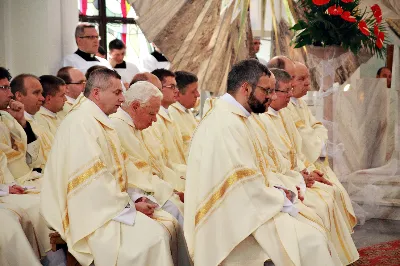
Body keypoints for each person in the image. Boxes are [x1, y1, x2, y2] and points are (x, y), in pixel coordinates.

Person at [185, 59, 341, 266]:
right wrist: (279, 196)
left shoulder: (239, 117)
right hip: (229, 221)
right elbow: (240, 186)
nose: (272, 96)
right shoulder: (225, 124)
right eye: (267, 91)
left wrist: (281, 188)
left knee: (313, 229)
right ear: (246, 87)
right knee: (311, 240)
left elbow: (254, 173)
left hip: (248, 206)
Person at [40, 68, 174, 266]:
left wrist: (136, 196)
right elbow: (92, 184)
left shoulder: (99, 121)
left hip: (105, 207)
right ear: (96, 93)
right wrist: (131, 206)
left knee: (163, 227)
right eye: (117, 92)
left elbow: (118, 171)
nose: (122, 99)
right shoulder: (81, 123)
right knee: (154, 238)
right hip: (88, 216)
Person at [251, 68, 359, 265]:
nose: (290, 95)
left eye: (291, 89)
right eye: (286, 90)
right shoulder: (262, 119)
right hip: (281, 186)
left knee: (328, 195)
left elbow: (294, 151)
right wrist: (300, 178)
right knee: (319, 205)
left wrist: (305, 172)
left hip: (291, 177)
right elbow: (271, 163)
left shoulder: (282, 114)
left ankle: (334, 255)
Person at [110, 81, 191, 265]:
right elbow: (130, 176)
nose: (155, 120)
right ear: (136, 106)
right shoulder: (118, 127)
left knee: (179, 207)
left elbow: (151, 168)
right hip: (136, 196)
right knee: (175, 212)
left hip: (151, 189)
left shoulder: (132, 126)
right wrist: (165, 192)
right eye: (152, 114)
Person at [286, 62, 357, 231]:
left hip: (313, 160)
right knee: (330, 195)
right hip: (305, 163)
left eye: (308, 78)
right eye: (302, 79)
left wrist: (316, 137)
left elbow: (318, 126)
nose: (308, 84)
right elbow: (300, 138)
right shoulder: (285, 106)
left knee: (337, 193)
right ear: (289, 81)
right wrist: (315, 138)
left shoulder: (300, 103)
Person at [144, 69, 186, 192]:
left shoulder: (169, 113)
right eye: (172, 86)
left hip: (178, 172)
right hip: (169, 179)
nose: (177, 91)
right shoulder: (154, 119)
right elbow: (162, 162)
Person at [11, 74, 54, 170]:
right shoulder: (13, 122)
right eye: (36, 93)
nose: (42, 98)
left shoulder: (37, 118)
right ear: (19, 95)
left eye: (41, 93)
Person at [169, 71, 200, 158]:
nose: (198, 94)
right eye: (193, 91)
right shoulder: (171, 114)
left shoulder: (186, 110)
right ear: (178, 94)